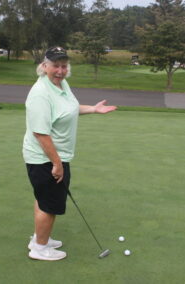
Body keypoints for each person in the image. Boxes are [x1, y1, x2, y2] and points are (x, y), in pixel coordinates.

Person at [22, 46, 117, 261]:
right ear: (44, 66)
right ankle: (40, 248)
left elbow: (67, 109)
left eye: (64, 66)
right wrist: (56, 164)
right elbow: (41, 133)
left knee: (43, 199)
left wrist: (93, 109)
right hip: (45, 158)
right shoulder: (40, 93)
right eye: (56, 65)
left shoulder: (61, 85)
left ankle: (39, 238)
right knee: (50, 204)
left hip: (55, 156)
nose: (60, 70)